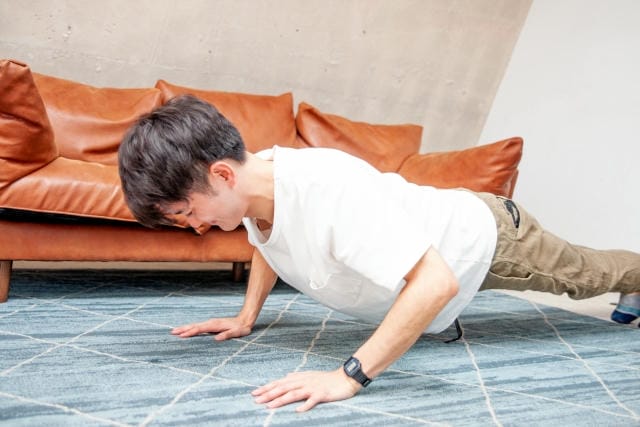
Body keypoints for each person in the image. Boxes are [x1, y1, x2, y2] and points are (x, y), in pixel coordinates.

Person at [118, 95, 640, 413]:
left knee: (589, 277)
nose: (194, 227)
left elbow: (436, 283)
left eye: (187, 212)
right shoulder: (257, 187)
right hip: (440, 231)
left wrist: (348, 376)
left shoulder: (328, 189)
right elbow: (268, 243)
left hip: (492, 238)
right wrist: (245, 316)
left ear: (222, 174)